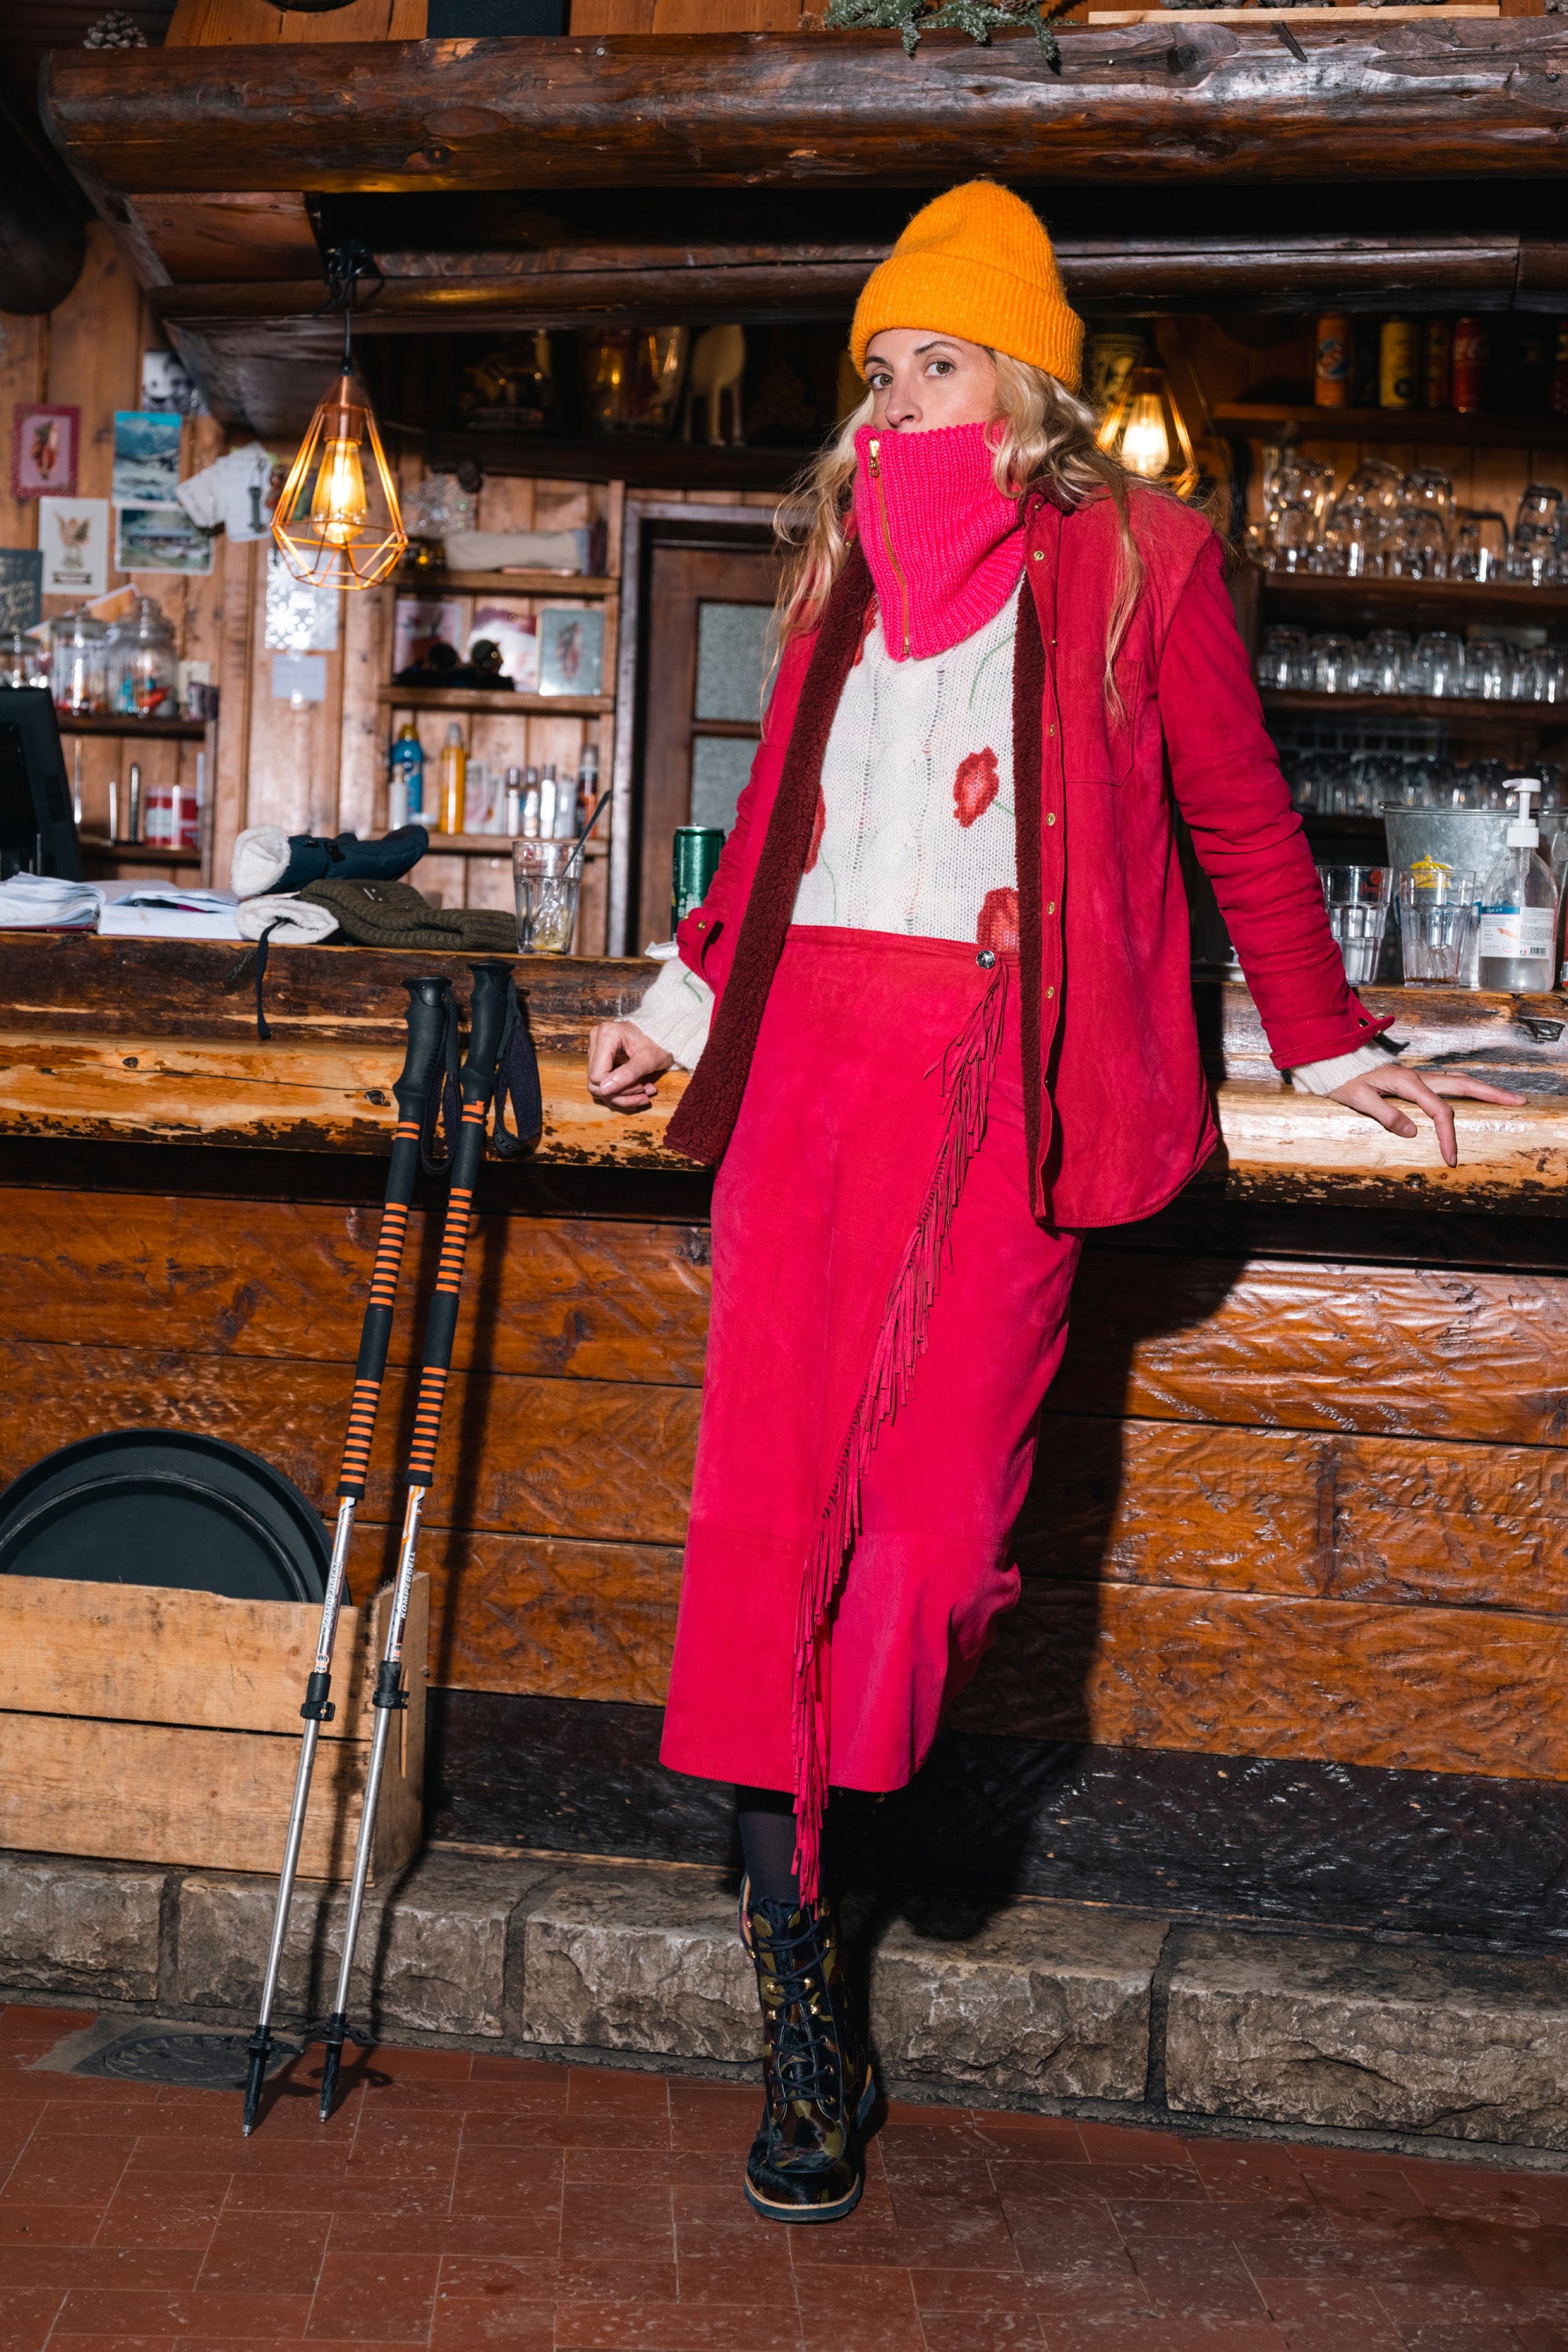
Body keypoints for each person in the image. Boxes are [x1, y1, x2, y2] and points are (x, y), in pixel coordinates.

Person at [585, 183, 1520, 2225]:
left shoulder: (1134, 559)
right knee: (767, 1540)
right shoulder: (839, 564)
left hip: (990, 1093)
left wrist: (1330, 1040)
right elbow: (786, 814)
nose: (894, 406)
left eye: (934, 363)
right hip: (804, 1071)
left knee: (922, 1543)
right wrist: (680, 992)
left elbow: (1235, 813)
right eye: (875, 374)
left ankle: (844, 1884)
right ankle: (801, 2014)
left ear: (1022, 382)